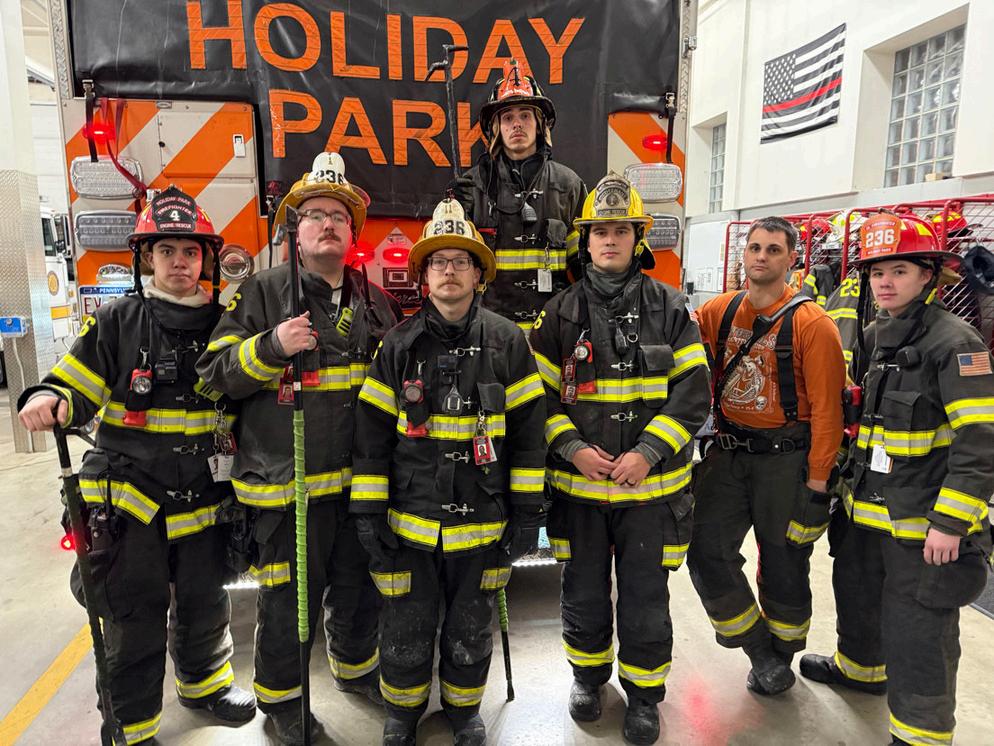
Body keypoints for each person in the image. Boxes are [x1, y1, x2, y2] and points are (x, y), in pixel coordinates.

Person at [18, 186, 255, 743]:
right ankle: (132, 724)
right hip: (131, 503)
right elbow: (74, 382)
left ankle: (206, 686)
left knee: (205, 602)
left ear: (206, 259)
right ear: (147, 258)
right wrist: (49, 397)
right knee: (133, 616)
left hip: (205, 500)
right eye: (166, 250)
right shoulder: (117, 320)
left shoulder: (226, 323)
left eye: (190, 251)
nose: (180, 262)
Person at [196, 152, 403, 745]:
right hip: (289, 488)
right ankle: (283, 702)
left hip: (359, 485)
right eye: (315, 215)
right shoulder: (262, 293)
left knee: (360, 588)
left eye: (339, 216)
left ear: (353, 232)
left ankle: (356, 669)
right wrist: (270, 346)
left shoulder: (376, 302)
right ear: (296, 228)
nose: (327, 225)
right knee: (289, 600)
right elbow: (212, 374)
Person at [350, 197, 546, 746]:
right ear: (423, 274)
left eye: (462, 261)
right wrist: (369, 514)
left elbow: (528, 435)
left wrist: (527, 513)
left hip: (482, 522)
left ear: (479, 274)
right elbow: (371, 439)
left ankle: (464, 711)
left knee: (470, 624)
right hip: (410, 525)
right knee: (405, 624)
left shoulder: (508, 343)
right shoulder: (397, 345)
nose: (450, 270)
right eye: (438, 261)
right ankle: (403, 713)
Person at [529, 174, 710, 744]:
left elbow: (693, 394)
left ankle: (644, 697)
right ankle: (587, 679)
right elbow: (536, 399)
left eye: (621, 231)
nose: (609, 240)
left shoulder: (672, 307)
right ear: (585, 242)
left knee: (645, 599)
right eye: (599, 231)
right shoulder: (558, 314)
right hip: (581, 492)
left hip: (649, 494)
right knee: (582, 593)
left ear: (638, 238)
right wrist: (574, 449)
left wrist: (647, 454)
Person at [800, 213, 993, 746]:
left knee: (919, 629)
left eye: (899, 270)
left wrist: (950, 523)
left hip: (921, 523)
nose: (885, 282)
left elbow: (981, 440)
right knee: (857, 595)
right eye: (877, 272)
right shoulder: (874, 334)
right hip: (866, 509)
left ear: (928, 275)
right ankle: (861, 671)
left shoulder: (956, 342)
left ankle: (921, 734)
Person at [687, 216, 847, 696]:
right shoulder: (719, 310)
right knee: (704, 551)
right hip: (728, 454)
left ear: (792, 259)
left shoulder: (813, 325)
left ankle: (781, 654)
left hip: (787, 460)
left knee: (783, 561)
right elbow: (676, 333)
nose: (761, 256)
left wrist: (817, 486)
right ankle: (758, 648)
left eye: (773, 249)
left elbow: (828, 413)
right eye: (754, 247)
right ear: (744, 255)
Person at [450, 59, 587, 332]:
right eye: (508, 117)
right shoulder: (472, 187)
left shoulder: (567, 186)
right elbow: (451, 270)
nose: (517, 124)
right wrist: (455, 213)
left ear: (540, 124)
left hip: (552, 333)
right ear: (496, 128)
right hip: (488, 333)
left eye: (525, 115)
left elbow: (586, 267)